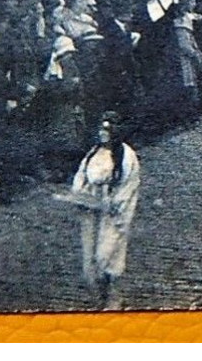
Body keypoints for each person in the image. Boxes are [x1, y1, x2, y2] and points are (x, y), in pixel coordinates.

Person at [68, 111, 141, 310]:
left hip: (111, 213)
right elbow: (81, 176)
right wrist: (80, 194)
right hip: (92, 211)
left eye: (107, 130)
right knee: (89, 262)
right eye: (101, 129)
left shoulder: (126, 156)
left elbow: (129, 186)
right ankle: (99, 299)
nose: (103, 134)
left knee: (106, 255)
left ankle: (113, 298)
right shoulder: (93, 153)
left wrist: (115, 203)